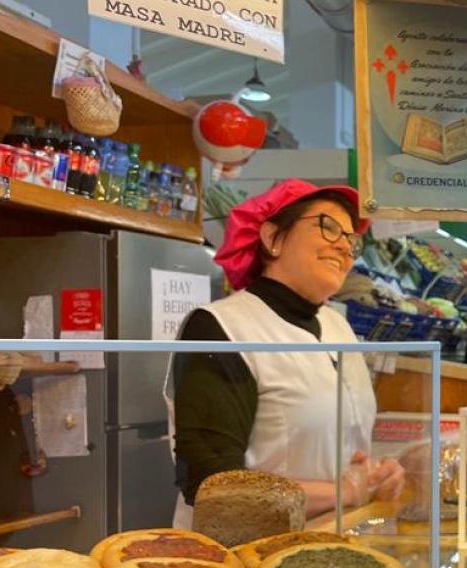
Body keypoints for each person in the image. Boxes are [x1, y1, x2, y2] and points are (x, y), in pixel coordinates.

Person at [169, 179, 405, 526]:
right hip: (245, 559)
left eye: (351, 239)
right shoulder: (221, 328)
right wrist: (347, 491)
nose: (344, 247)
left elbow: (339, 447)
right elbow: (211, 486)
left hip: (329, 546)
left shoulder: (338, 327)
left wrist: (377, 474)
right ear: (272, 238)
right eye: (328, 228)